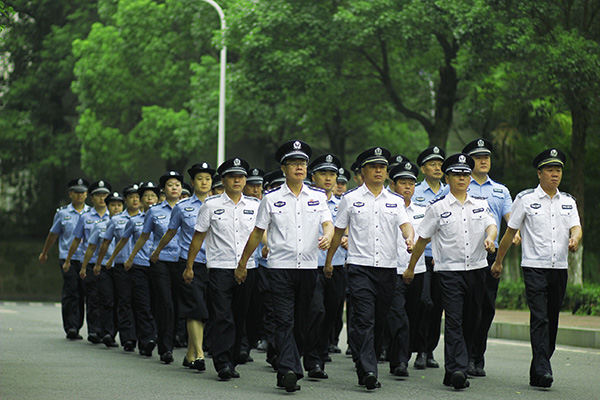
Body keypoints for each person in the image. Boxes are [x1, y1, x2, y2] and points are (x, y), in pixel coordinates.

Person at [235, 140, 334, 393]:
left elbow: (328, 224)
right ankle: (289, 369)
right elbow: (257, 234)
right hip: (279, 267)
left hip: (308, 267)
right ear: (283, 168)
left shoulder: (318, 196)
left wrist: (328, 235)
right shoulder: (270, 199)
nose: (300, 167)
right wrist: (243, 263)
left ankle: (287, 363)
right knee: (284, 321)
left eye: (303, 163)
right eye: (294, 163)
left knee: (303, 321)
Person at [404, 153, 497, 390]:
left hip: (477, 270)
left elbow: (491, 225)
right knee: (454, 320)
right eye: (457, 174)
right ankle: (458, 369)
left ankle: (454, 370)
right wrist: (411, 268)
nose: (462, 178)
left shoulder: (480, 204)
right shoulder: (437, 208)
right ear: (448, 178)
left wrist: (490, 239)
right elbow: (422, 241)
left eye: (466, 174)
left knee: (471, 321)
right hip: (449, 272)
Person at [491, 148, 582, 389]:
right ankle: (544, 368)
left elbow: (576, 227)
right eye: (550, 170)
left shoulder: (568, 201)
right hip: (534, 267)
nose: (555, 174)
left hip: (559, 267)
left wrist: (575, 239)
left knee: (552, 319)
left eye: (559, 170)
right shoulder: (525, 199)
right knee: (540, 317)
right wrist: (499, 261)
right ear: (539, 173)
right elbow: (510, 232)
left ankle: (538, 368)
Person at [325, 147, 415, 390]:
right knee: (364, 319)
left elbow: (406, 225)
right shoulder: (350, 199)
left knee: (380, 320)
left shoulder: (395, 201)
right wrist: (329, 260)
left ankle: (368, 360)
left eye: (382, 167)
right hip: (359, 267)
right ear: (362, 171)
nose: (378, 170)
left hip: (387, 269)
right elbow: (338, 232)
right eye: (373, 167)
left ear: (386, 173)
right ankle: (368, 370)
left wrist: (409, 239)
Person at [186, 157, 260, 380]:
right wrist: (189, 266)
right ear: (224, 180)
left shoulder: (255, 206)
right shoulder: (211, 205)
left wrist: (270, 248)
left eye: (241, 177)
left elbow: (261, 235)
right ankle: (223, 362)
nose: (237, 180)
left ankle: (234, 358)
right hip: (220, 268)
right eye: (232, 177)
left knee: (240, 315)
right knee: (222, 316)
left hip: (248, 268)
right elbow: (198, 237)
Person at [458, 138, 517, 377]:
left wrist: (516, 234)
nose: (484, 161)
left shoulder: (500, 190)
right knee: (467, 308)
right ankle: (463, 356)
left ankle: (476, 356)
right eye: (478, 157)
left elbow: (511, 220)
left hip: (491, 257)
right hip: (464, 257)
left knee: (486, 308)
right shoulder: (460, 186)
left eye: (487, 157)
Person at [151, 163, 215, 370]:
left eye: (207, 178)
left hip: (215, 263)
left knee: (204, 309)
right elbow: (170, 232)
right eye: (199, 179)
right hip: (189, 263)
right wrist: (157, 250)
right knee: (195, 308)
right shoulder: (182, 207)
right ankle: (199, 354)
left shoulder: (219, 205)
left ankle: (189, 353)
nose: (204, 182)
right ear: (193, 182)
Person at [125, 171, 183, 364]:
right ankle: (165, 348)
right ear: (163, 191)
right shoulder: (155, 211)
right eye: (170, 185)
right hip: (161, 261)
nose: (174, 188)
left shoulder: (189, 208)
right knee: (165, 303)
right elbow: (144, 236)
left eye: (177, 184)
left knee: (178, 303)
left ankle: (178, 338)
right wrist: (132, 257)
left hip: (184, 261)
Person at [304, 153, 347, 379]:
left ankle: (320, 355)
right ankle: (313, 361)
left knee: (331, 314)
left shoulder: (343, 204)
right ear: (314, 176)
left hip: (338, 265)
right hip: (312, 265)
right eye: (323, 173)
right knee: (316, 311)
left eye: (332, 174)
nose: (328, 178)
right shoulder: (307, 200)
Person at [108, 181, 160, 357]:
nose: (147, 199)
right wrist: (113, 259)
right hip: (134, 266)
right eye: (144, 196)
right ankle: (137, 338)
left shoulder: (163, 216)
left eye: (151, 196)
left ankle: (155, 336)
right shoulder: (132, 221)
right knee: (134, 303)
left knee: (157, 304)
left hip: (159, 266)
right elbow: (120, 241)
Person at [386, 159, 427, 378]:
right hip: (393, 270)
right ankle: (400, 361)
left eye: (411, 182)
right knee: (398, 316)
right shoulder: (386, 207)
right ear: (393, 184)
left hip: (417, 270)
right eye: (403, 182)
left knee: (412, 315)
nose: (408, 187)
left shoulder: (422, 210)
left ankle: (402, 354)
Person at [38, 178, 90, 340]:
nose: (79, 195)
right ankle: (71, 327)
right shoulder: (62, 213)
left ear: (87, 194)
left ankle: (80, 324)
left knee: (83, 293)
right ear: (70, 194)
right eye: (76, 192)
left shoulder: (92, 213)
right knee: (71, 290)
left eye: (82, 192)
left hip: (87, 259)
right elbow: (53, 234)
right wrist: (45, 252)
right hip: (68, 258)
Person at [62, 180, 111, 344]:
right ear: (92, 198)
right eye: (98, 195)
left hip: (109, 263)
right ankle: (94, 331)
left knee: (108, 299)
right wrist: (69, 260)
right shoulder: (85, 217)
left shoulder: (116, 216)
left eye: (105, 195)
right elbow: (76, 240)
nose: (102, 198)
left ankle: (108, 331)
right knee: (92, 298)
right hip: (90, 263)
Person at [95, 184, 142, 352]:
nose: (135, 199)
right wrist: (100, 263)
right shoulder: (116, 221)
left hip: (142, 266)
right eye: (131, 197)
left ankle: (143, 337)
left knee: (141, 303)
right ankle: (128, 337)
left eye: (138, 196)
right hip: (121, 266)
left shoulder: (147, 218)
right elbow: (104, 243)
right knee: (123, 301)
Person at [412, 146, 446, 370]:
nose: (437, 168)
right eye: (432, 164)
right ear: (423, 168)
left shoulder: (451, 192)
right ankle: (418, 349)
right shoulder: (413, 192)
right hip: (421, 257)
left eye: (440, 164)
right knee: (423, 303)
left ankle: (430, 349)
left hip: (443, 258)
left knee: (438, 306)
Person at [79, 191, 124, 348]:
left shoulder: (127, 223)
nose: (116, 208)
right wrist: (85, 267)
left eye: (119, 205)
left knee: (120, 300)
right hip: (103, 266)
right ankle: (107, 333)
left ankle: (119, 332)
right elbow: (91, 248)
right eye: (113, 205)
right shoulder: (99, 226)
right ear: (108, 206)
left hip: (120, 266)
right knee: (107, 300)